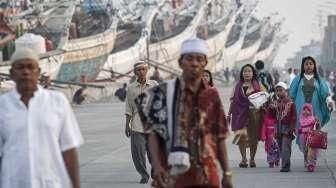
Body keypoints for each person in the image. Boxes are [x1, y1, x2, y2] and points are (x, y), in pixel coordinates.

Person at [135, 38, 233, 188]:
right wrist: (157, 166)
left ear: (205, 63)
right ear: (180, 63)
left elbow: (219, 136)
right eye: (189, 58)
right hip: (173, 173)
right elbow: (154, 133)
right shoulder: (163, 93)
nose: (194, 63)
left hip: (207, 172)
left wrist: (227, 173)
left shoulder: (212, 95)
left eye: (199, 59)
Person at [0, 48, 83, 188]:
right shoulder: (2, 105)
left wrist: (76, 185)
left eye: (30, 67)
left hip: (51, 182)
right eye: (20, 67)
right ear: (11, 74)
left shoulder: (57, 102)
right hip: (13, 182)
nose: (25, 72)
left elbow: (69, 149)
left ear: (38, 72)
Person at [125, 61, 158, 184]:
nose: (141, 72)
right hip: (136, 125)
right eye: (139, 70)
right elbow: (128, 107)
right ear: (135, 72)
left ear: (147, 70)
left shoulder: (154, 85)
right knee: (137, 153)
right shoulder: (130, 88)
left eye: (144, 69)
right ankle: (143, 174)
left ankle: (155, 172)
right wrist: (127, 124)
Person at [228, 64, 266, 168]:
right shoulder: (237, 86)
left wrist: (259, 104)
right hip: (239, 115)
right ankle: (243, 159)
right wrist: (229, 114)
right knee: (241, 136)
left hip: (255, 115)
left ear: (253, 73)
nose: (247, 73)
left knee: (254, 138)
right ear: (242, 73)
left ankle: (252, 159)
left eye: (249, 71)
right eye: (245, 71)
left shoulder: (258, 84)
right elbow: (233, 101)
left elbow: (265, 97)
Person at [289, 56, 332, 141]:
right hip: (300, 111)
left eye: (311, 64)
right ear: (303, 66)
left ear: (314, 66)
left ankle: (310, 153)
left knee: (314, 137)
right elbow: (292, 96)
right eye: (306, 64)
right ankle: (306, 153)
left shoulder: (319, 80)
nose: (308, 66)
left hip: (316, 111)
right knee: (303, 137)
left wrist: (329, 102)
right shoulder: (298, 80)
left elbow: (325, 95)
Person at [267, 82, 296, 172]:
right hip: (278, 128)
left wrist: (291, 129)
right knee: (281, 147)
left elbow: (294, 117)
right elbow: (271, 116)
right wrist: (270, 108)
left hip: (287, 128)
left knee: (286, 148)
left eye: (281, 90)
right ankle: (286, 164)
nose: (279, 93)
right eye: (277, 91)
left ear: (286, 91)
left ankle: (285, 166)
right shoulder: (275, 103)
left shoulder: (291, 103)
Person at [297, 103, 320, 172]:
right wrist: (299, 131)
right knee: (305, 151)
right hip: (303, 138)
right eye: (304, 110)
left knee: (311, 151)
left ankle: (311, 164)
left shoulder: (313, 119)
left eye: (308, 110)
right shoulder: (301, 119)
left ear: (311, 111)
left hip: (311, 138)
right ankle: (306, 161)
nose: (306, 111)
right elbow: (300, 128)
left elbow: (317, 127)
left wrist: (317, 123)